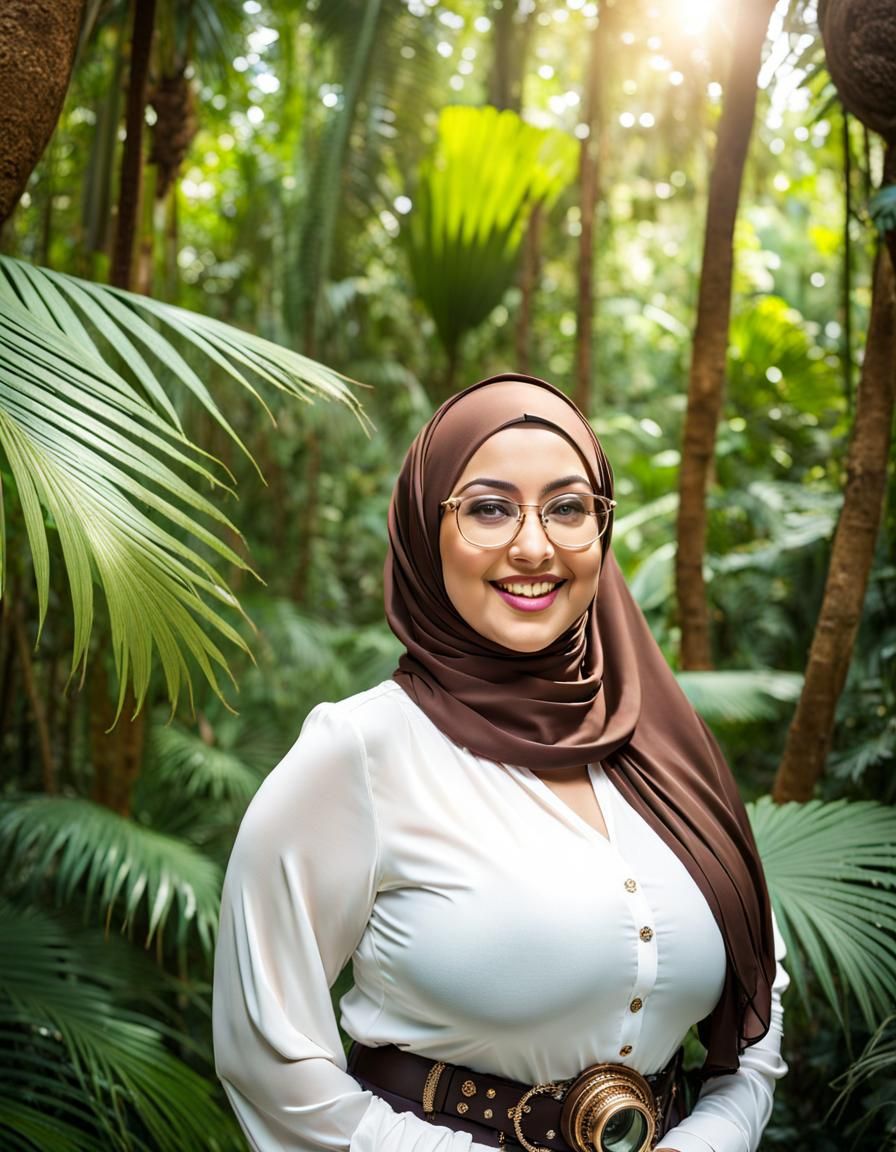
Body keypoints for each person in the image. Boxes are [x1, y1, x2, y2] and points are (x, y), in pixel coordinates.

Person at [213, 373, 789, 1152]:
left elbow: (758, 999)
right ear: (426, 530)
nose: (532, 544)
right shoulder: (358, 752)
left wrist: (714, 1137)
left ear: (600, 529)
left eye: (567, 507)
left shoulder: (666, 748)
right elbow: (269, 1059)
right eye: (488, 507)